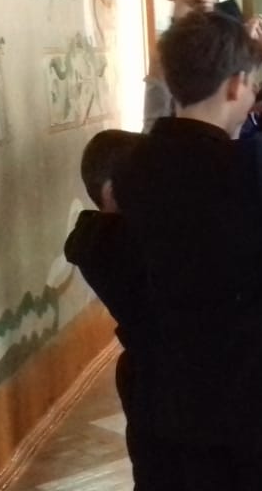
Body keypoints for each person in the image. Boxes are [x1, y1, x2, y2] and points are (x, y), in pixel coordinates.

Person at [110, 11, 262, 490]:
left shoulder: (132, 164)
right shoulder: (248, 167)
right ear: (238, 85)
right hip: (259, 392)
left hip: (177, 388)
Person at [64, 129, 171, 489]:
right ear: (112, 191)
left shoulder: (109, 236)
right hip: (157, 378)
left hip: (150, 372)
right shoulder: (112, 244)